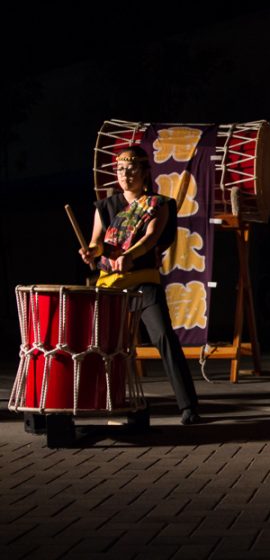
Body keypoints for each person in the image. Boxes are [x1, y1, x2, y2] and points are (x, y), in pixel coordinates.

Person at [78, 146, 201, 425]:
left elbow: (150, 238)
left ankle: (189, 406)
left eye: (132, 168)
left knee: (163, 337)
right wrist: (91, 251)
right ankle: (106, 405)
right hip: (110, 284)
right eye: (121, 169)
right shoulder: (105, 206)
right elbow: (98, 243)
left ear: (145, 172)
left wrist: (128, 256)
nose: (125, 174)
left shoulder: (160, 204)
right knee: (105, 346)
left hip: (144, 281)